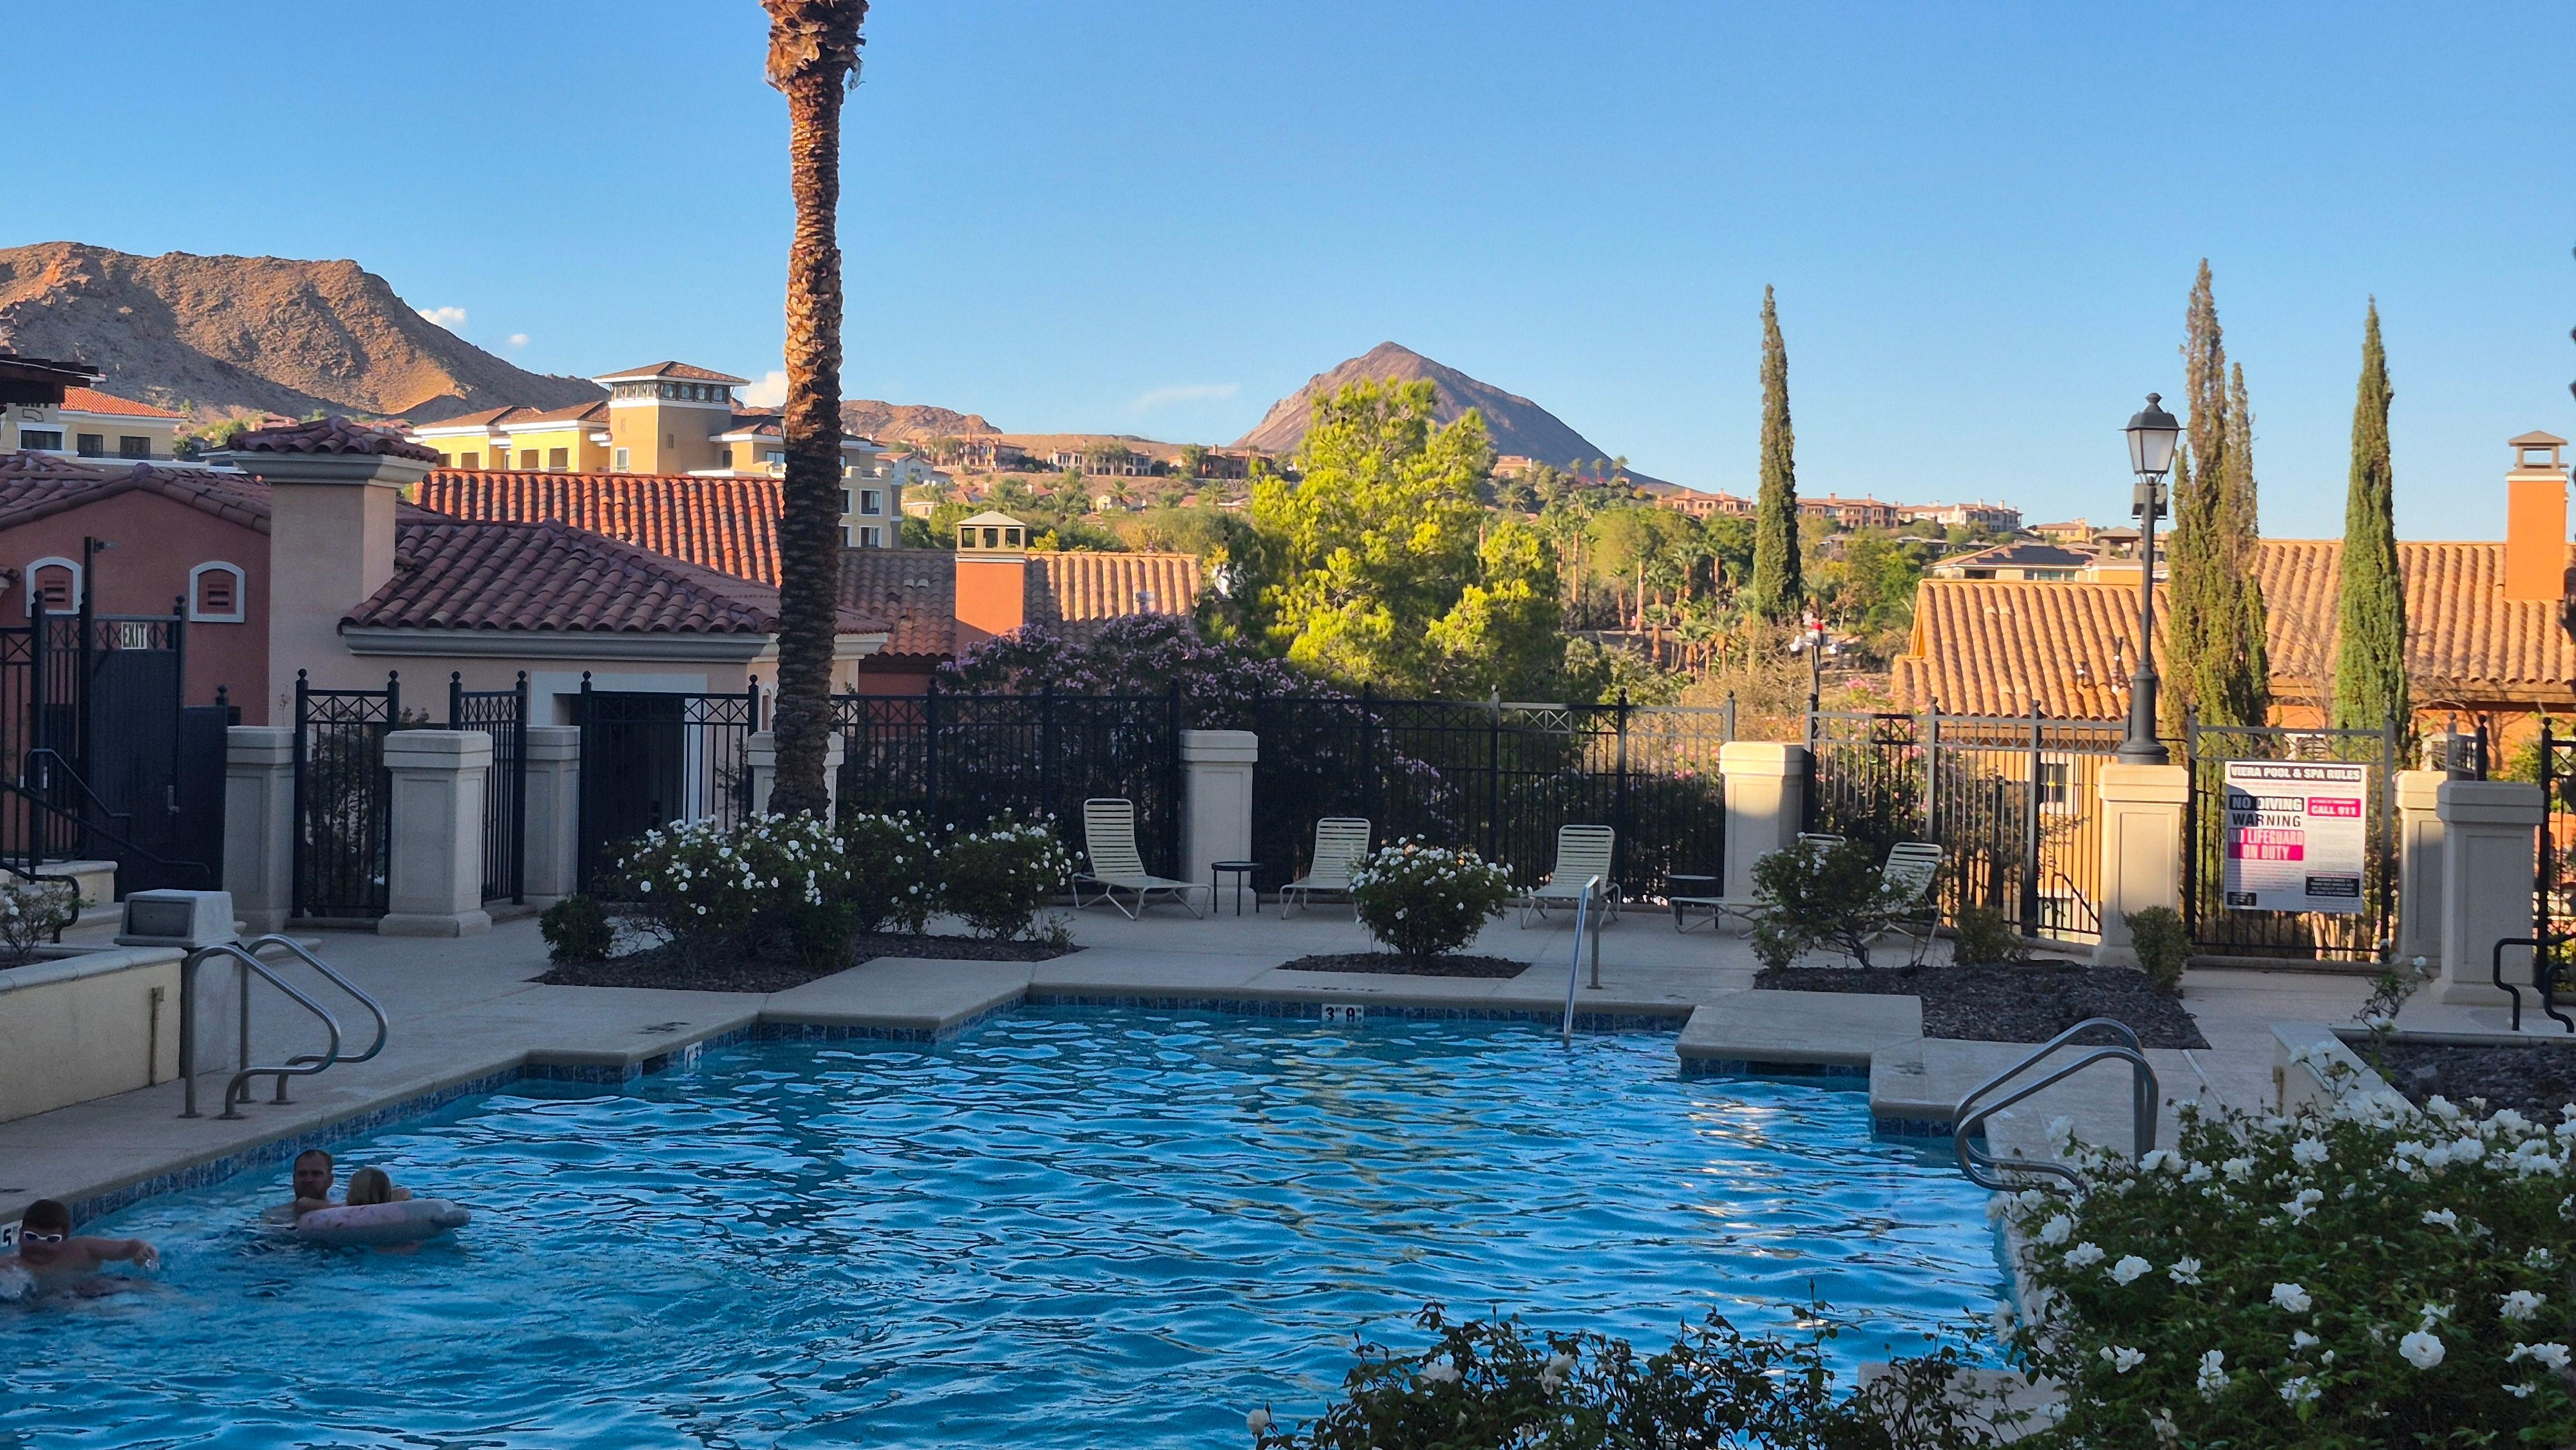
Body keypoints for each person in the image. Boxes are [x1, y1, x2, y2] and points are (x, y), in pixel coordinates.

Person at [4, 1199, 156, 1297]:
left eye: (51, 1239)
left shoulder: (82, 1248)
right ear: (20, 1234)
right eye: (31, 1237)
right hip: (50, 1310)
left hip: (102, 1291)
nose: (40, 1245)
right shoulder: (10, 1266)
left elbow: (127, 1247)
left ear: (65, 1239)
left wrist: (143, 1250)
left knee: (145, 1287)